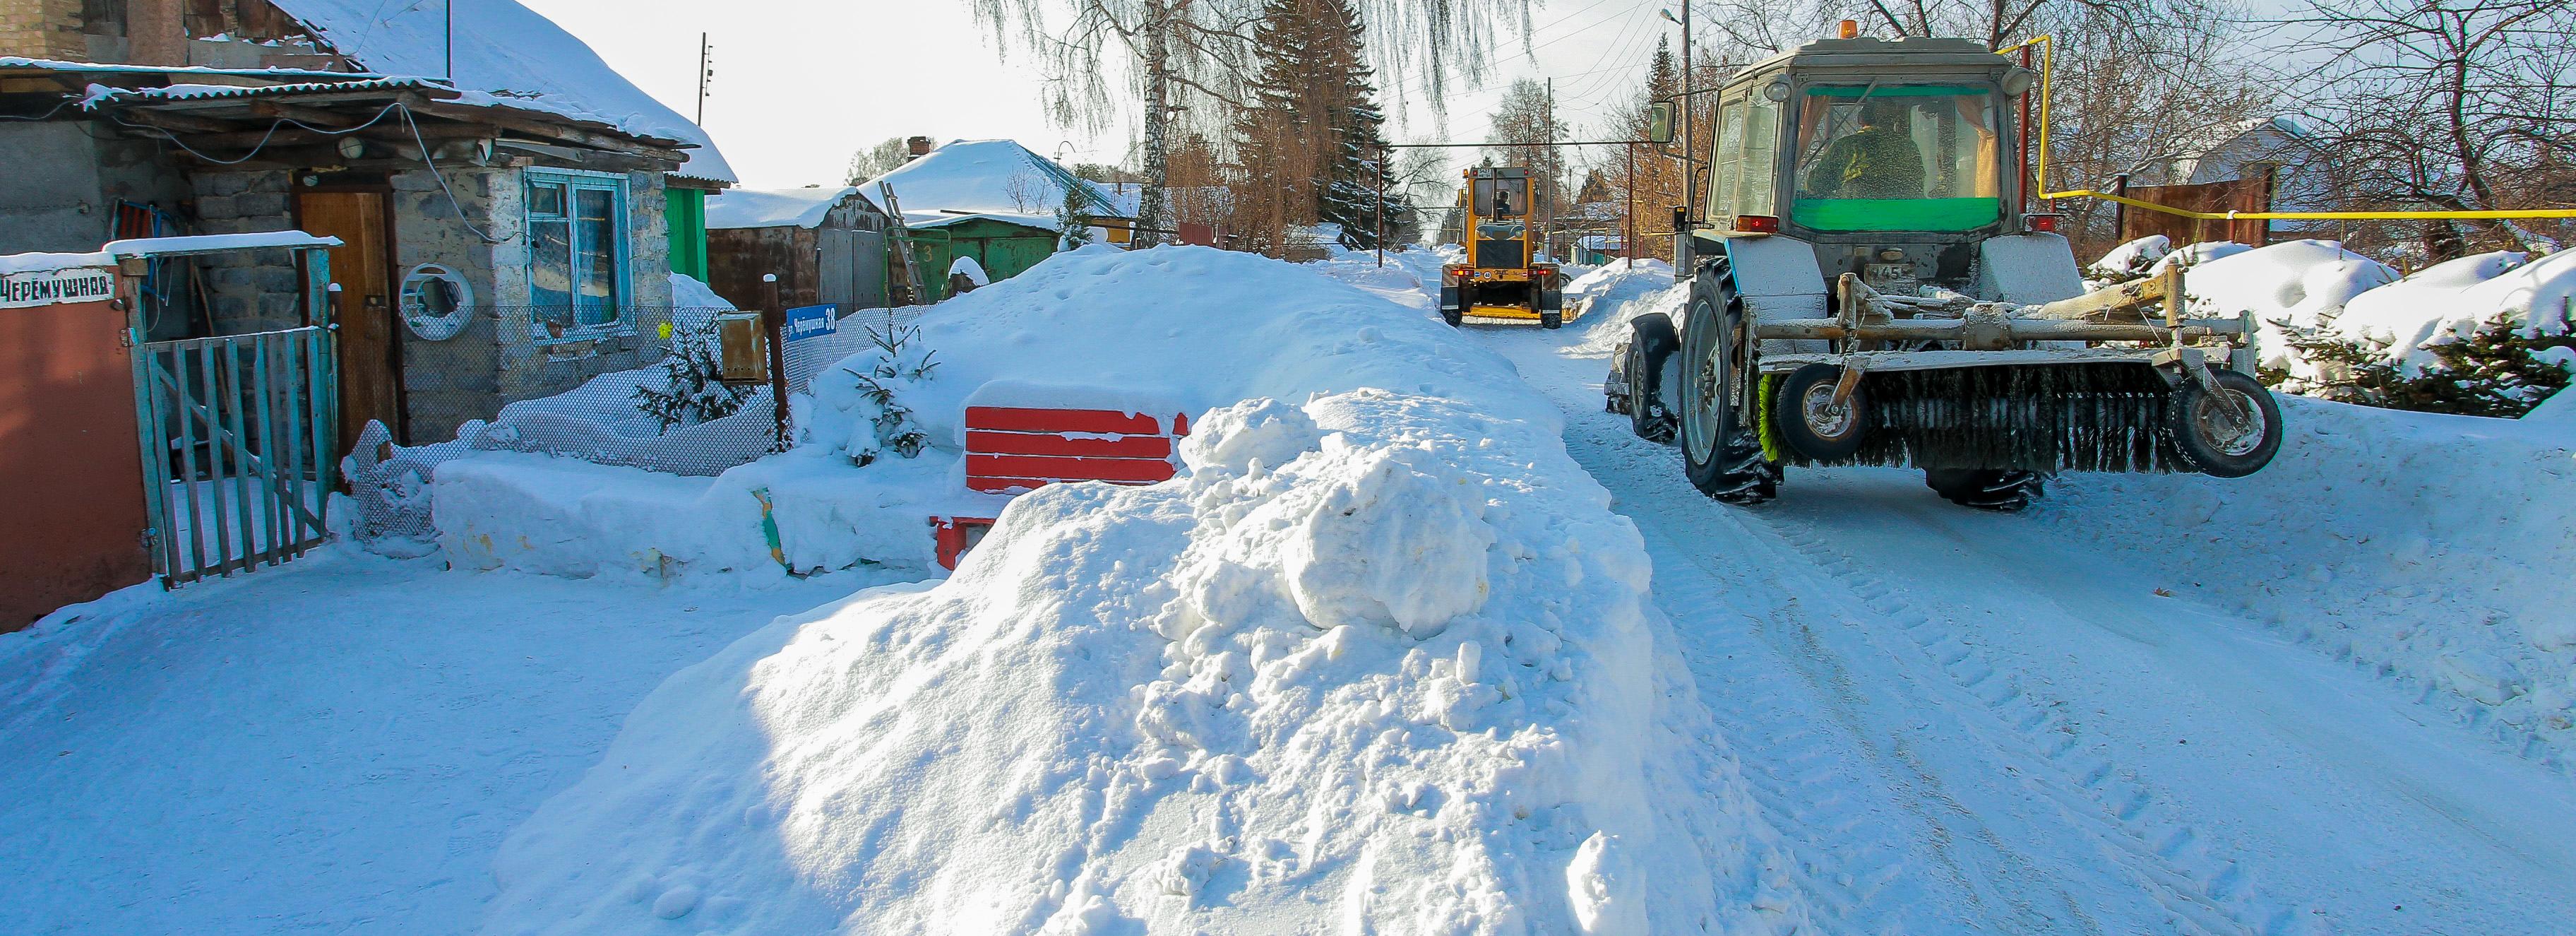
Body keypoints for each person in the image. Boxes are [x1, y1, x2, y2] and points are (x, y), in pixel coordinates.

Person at [1803, 101, 1926, 199]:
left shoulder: (1846, 145)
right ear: (1893, 121)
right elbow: (1917, 183)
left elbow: (1817, 185)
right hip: (1903, 218)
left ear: (1861, 119)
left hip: (1851, 217)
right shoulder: (1908, 146)